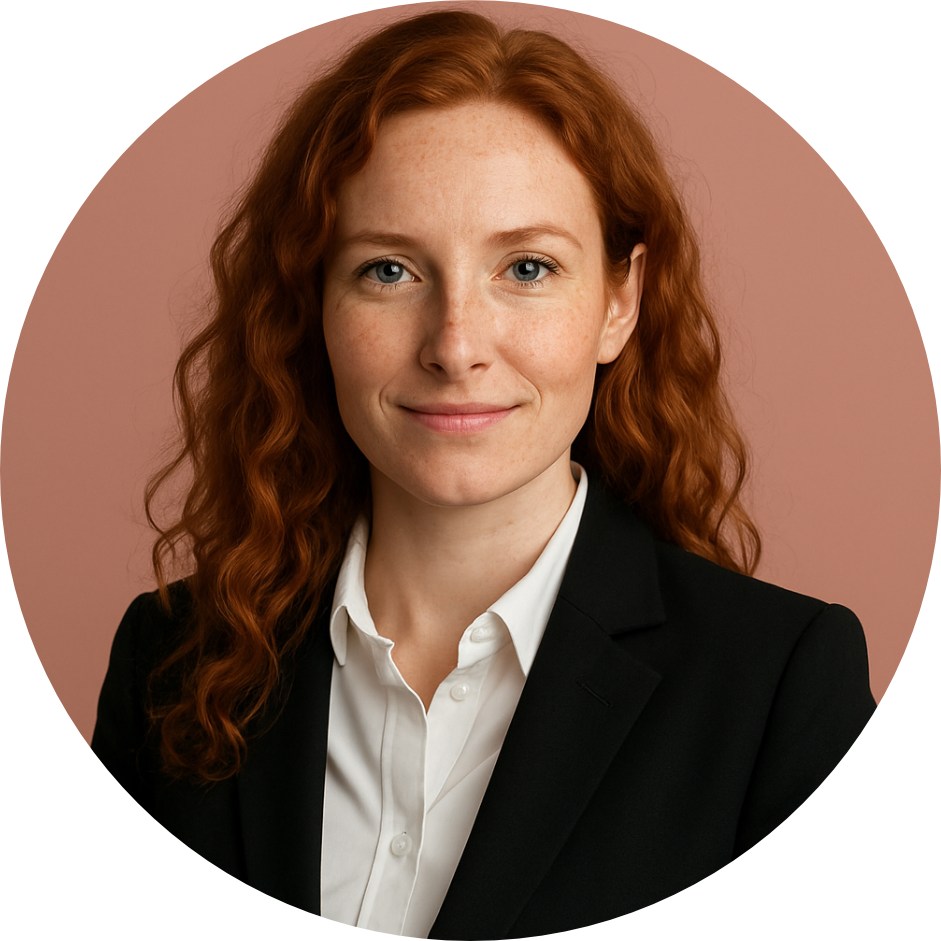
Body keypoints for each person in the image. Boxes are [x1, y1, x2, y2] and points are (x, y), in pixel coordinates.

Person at [90, 10, 876, 938]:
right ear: (313, 303)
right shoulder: (170, 658)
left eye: (527, 268)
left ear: (619, 300)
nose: (455, 345)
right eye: (388, 270)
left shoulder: (776, 686)